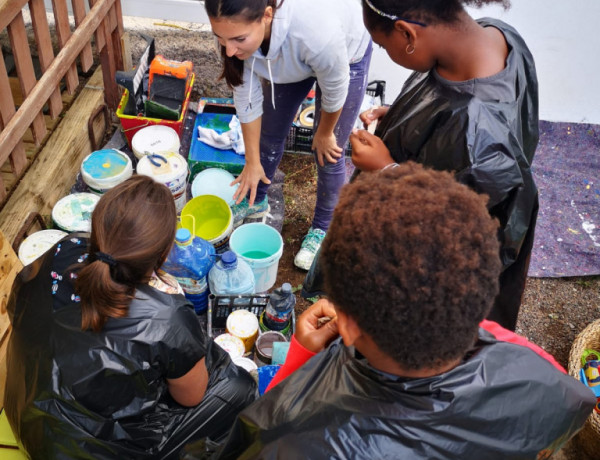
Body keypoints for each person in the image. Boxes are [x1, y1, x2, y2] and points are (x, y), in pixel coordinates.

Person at [214, 163, 594, 459]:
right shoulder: (539, 373)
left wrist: (299, 356)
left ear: (343, 324)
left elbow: (270, 424)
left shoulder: (297, 446)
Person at [4, 176, 257, 459]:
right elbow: (192, 397)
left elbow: (19, 305)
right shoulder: (167, 317)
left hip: (25, 414)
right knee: (239, 387)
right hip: (84, 451)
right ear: (162, 257)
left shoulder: (64, 247)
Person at [342, 0, 539, 331]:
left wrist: (387, 170)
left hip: (438, 270)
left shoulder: (482, 134)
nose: (383, 50)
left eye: (381, 44)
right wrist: (404, 116)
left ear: (406, 33)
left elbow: (451, 227)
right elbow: (446, 113)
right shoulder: (495, 35)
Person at [204, 0, 372, 270]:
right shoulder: (231, 33)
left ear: (267, 16)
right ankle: (256, 200)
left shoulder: (315, 34)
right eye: (220, 38)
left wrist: (325, 132)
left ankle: (323, 227)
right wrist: (252, 162)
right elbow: (247, 99)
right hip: (291, 55)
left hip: (345, 54)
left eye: (238, 39)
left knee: (328, 152)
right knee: (269, 135)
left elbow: (336, 87)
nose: (229, 50)